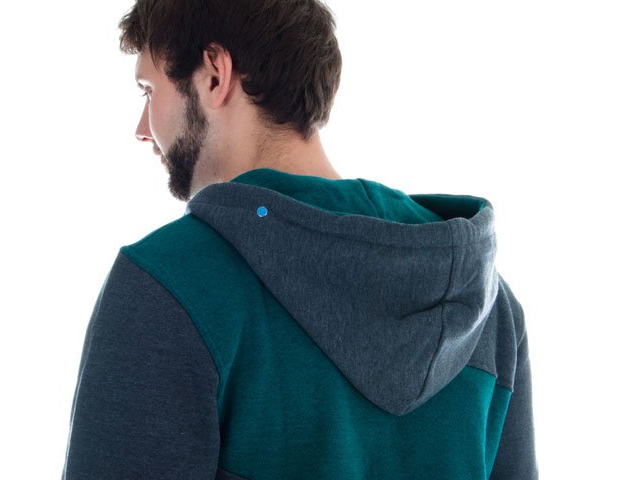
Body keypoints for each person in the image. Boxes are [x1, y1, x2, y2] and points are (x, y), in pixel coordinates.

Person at [61, 1, 539, 479]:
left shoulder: (169, 288)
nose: (142, 129)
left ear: (214, 75)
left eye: (149, 91)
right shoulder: (484, 306)